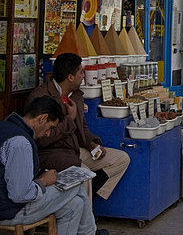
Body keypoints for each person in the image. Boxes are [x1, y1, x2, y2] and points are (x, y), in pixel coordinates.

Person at [26, 53, 130, 202]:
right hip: (51, 154)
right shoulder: (42, 97)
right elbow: (42, 140)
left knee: (121, 159)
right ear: (70, 77)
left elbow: (83, 127)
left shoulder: (76, 95)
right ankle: (86, 218)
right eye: (81, 72)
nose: (84, 75)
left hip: (75, 149)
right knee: (84, 173)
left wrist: (92, 144)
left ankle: (86, 197)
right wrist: (69, 119)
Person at [0, 96, 107, 235]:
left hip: (7, 204)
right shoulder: (20, 143)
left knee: (75, 205)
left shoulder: (7, 125)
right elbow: (20, 194)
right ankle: (90, 233)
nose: (48, 133)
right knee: (76, 186)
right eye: (50, 127)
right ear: (42, 118)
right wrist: (43, 181)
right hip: (10, 211)